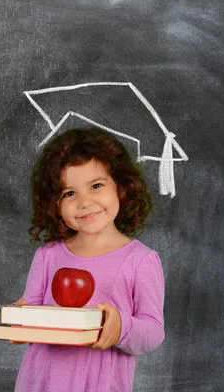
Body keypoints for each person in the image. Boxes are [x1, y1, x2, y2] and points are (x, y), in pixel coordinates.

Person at [13, 127, 165, 392]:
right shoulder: (47, 257)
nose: (84, 202)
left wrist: (121, 327)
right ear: (55, 206)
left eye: (96, 186)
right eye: (69, 193)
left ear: (121, 187)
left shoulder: (141, 260)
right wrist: (21, 320)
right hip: (41, 383)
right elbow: (33, 313)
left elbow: (153, 332)